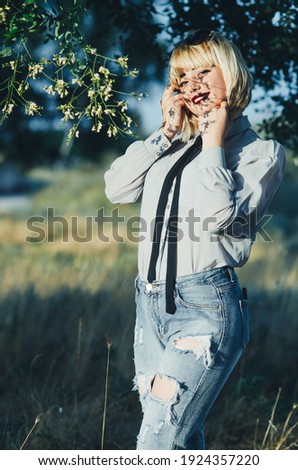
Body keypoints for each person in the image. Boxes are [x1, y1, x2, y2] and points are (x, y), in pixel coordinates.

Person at [104, 29, 285, 450]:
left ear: (232, 74)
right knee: (180, 441)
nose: (195, 84)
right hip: (149, 307)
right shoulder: (172, 145)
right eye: (183, 77)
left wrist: (213, 143)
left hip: (205, 310)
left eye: (206, 70)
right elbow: (117, 190)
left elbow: (220, 218)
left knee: (157, 444)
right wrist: (165, 132)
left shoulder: (261, 154)